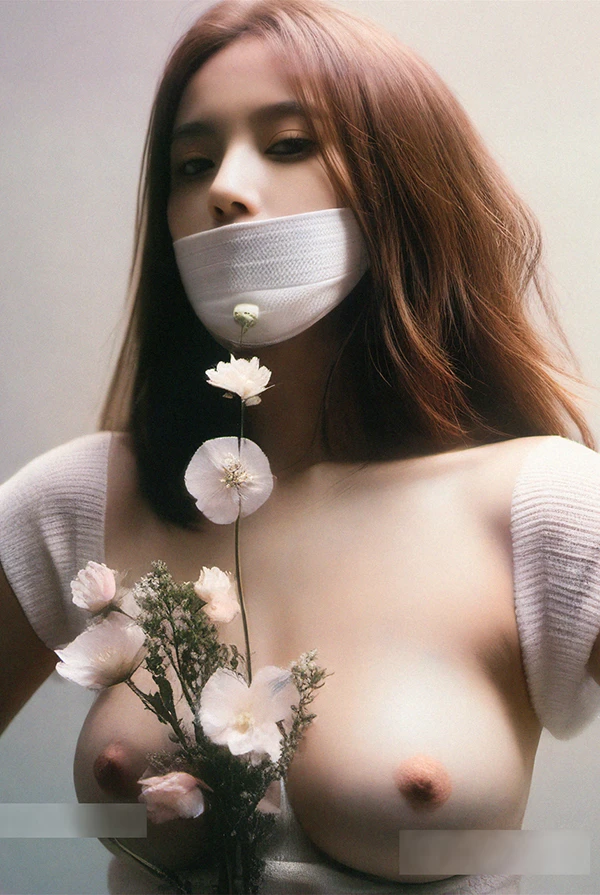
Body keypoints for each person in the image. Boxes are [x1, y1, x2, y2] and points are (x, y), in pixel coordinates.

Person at [1, 0, 599, 893]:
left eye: (287, 145)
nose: (226, 189)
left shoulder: (548, 511)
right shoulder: (82, 500)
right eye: (191, 164)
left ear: (403, 179)